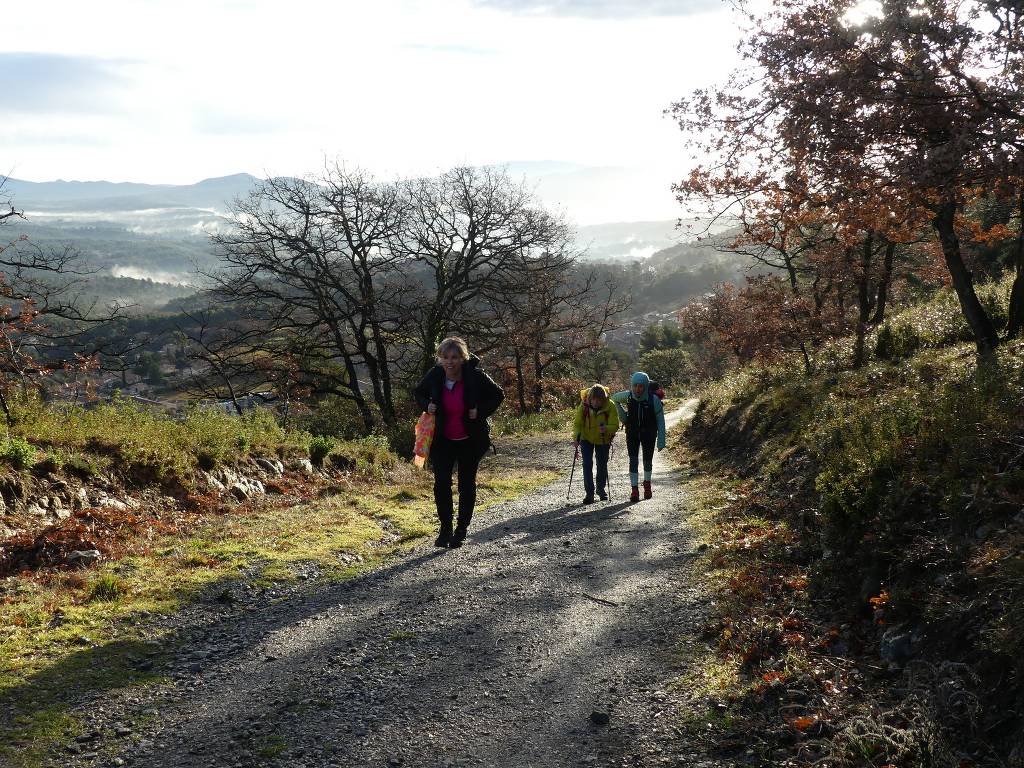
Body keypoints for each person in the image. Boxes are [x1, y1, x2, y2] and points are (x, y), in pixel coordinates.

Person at [414, 337, 504, 548]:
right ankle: (445, 529)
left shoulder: (475, 376)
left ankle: (461, 529)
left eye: (454, 357)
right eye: (445, 357)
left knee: (466, 485)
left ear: (463, 358)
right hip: (442, 440)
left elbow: (498, 395)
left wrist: (479, 411)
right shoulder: (435, 375)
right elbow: (418, 392)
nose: (450, 362)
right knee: (441, 484)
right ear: (440, 359)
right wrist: (427, 405)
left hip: (470, 440)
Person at [611, 372, 666, 502]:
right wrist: (623, 417)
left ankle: (647, 485)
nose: (637, 389)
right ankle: (634, 490)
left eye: (641, 386)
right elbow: (614, 399)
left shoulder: (654, 400)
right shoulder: (629, 397)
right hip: (632, 434)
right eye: (635, 386)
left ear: (646, 386)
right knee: (633, 461)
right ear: (631, 386)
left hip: (649, 434)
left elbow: (661, 422)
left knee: (647, 461)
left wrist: (661, 441)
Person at [572, 384, 619, 504]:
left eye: (599, 400)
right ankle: (589, 493)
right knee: (587, 464)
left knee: (602, 464)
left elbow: (615, 425)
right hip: (586, 437)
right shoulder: (584, 405)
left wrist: (607, 429)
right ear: (590, 398)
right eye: (594, 399)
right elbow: (577, 423)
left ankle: (600, 489)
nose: (596, 402)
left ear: (604, 399)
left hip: (603, 439)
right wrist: (576, 437)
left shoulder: (610, 406)